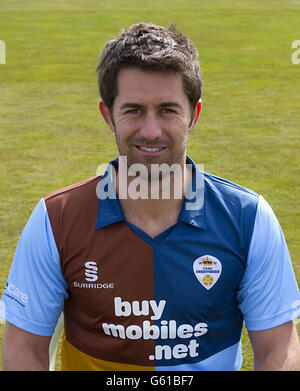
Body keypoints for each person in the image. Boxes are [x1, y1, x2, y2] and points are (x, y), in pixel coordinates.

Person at [1, 23, 300, 371]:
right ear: (107, 116)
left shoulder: (249, 219)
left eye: (168, 110)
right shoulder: (56, 219)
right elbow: (25, 349)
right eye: (134, 110)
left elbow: (278, 348)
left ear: (194, 116)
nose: (151, 131)